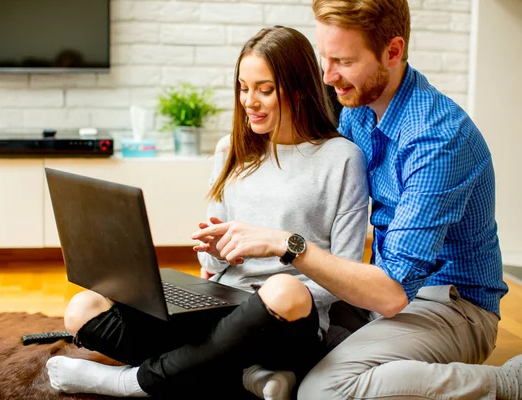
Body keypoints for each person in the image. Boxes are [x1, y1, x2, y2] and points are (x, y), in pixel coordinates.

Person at [193, 1, 522, 399]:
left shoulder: (438, 140)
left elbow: (392, 293)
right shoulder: (357, 104)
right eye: (324, 58)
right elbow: (293, 133)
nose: (328, 77)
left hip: (448, 304)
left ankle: (508, 383)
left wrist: (286, 243)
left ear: (394, 51)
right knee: (242, 328)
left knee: (325, 391)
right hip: (373, 291)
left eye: (343, 61)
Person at [45, 26, 369, 400]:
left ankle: (133, 383)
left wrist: (275, 290)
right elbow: (213, 268)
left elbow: (345, 276)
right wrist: (212, 253)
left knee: (284, 288)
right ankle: (249, 374)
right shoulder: (230, 149)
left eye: (265, 89)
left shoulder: (342, 158)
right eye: (243, 88)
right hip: (222, 303)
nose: (250, 101)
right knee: (83, 308)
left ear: (298, 90)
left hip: (288, 317)